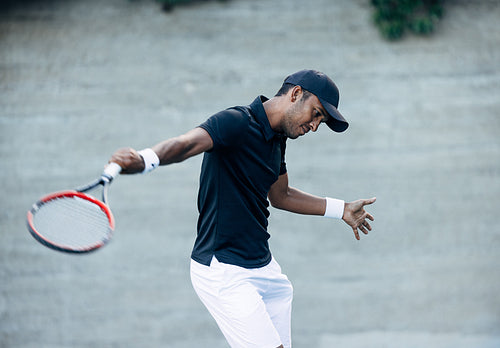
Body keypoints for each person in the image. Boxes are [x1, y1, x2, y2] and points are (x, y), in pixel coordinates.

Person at [109, 69, 376, 348]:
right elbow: (186, 144)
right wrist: (145, 159)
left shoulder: (276, 139)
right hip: (224, 269)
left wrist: (341, 208)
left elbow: (281, 195)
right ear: (296, 94)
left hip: (265, 269)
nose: (315, 126)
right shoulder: (235, 122)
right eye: (317, 113)